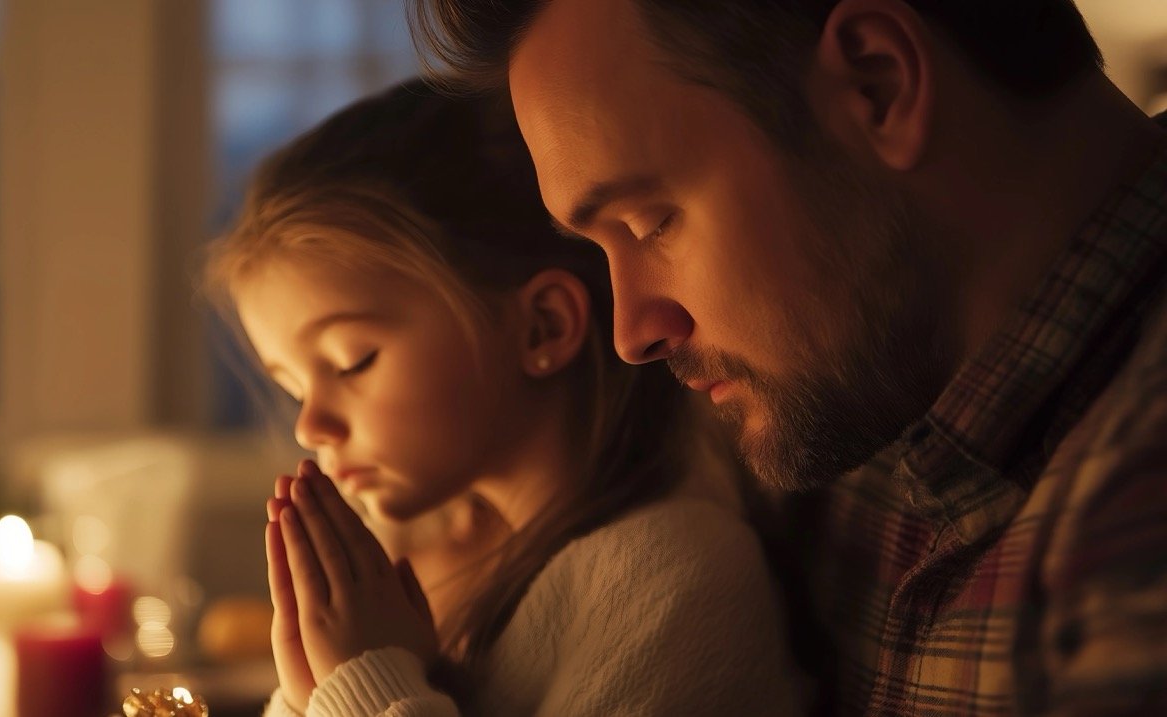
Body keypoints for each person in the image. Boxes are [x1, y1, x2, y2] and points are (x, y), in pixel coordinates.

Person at [407, 0, 1167, 713]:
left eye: (650, 222)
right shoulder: (855, 380)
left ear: (879, 85)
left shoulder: (1129, 537)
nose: (633, 331)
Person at [203, 81, 805, 717]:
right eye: (292, 386)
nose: (309, 424)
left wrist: (367, 680)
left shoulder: (675, 576)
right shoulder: (397, 575)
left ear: (541, 327)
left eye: (353, 361)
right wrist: (310, 691)